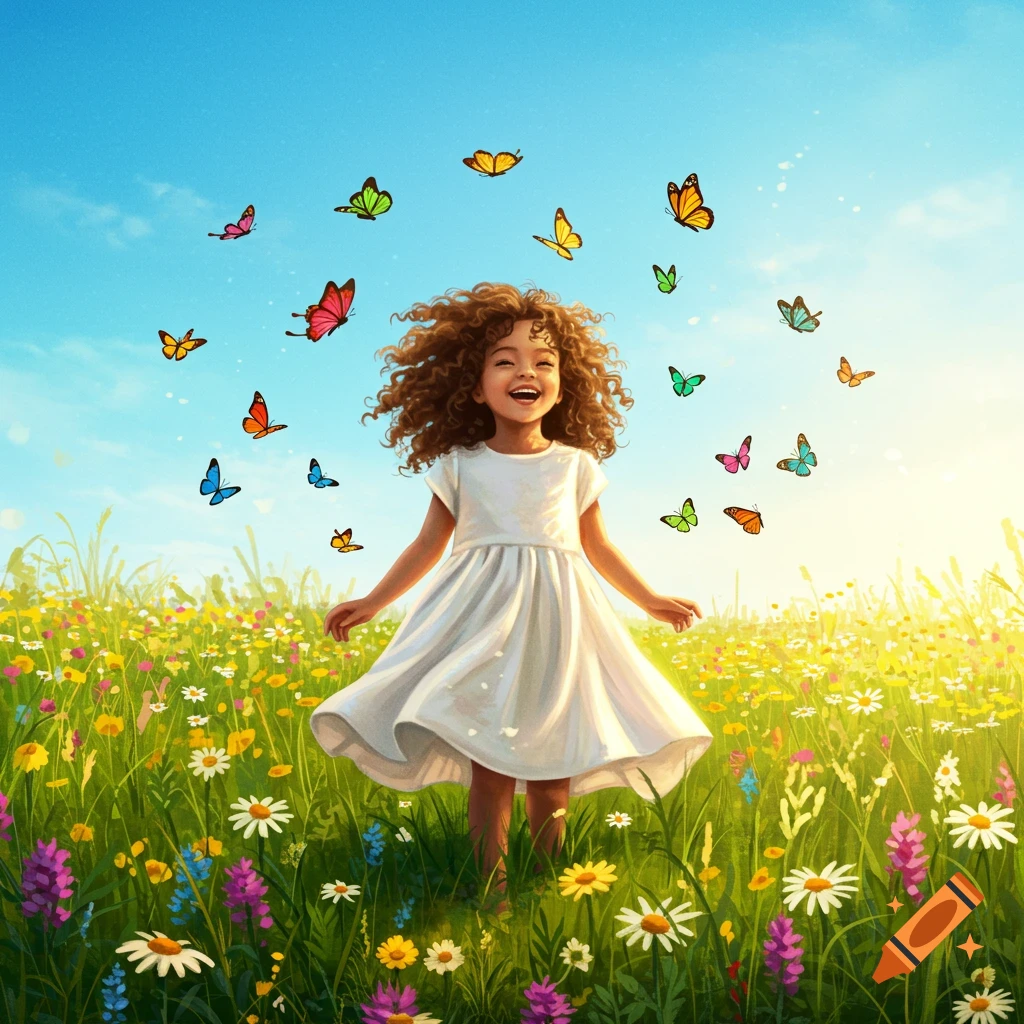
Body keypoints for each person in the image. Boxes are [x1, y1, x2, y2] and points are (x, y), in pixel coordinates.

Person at [309, 282, 712, 912]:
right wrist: (373, 600)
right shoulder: (460, 465)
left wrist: (650, 599)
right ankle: (490, 891)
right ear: (474, 386)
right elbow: (426, 546)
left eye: (543, 362)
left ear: (563, 382)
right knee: (490, 760)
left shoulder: (574, 466)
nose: (527, 371)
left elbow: (598, 547)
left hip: (560, 618)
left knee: (554, 764)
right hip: (481, 619)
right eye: (505, 360)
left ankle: (547, 884)